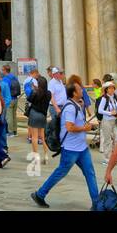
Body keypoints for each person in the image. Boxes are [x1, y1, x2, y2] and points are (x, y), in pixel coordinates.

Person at [31, 79, 100, 208]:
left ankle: (96, 203)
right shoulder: (69, 108)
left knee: (90, 173)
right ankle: (40, 194)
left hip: (81, 148)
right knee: (61, 172)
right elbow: (69, 127)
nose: (82, 90)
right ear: (74, 93)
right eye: (80, 89)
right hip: (70, 149)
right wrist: (85, 128)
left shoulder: (76, 105)